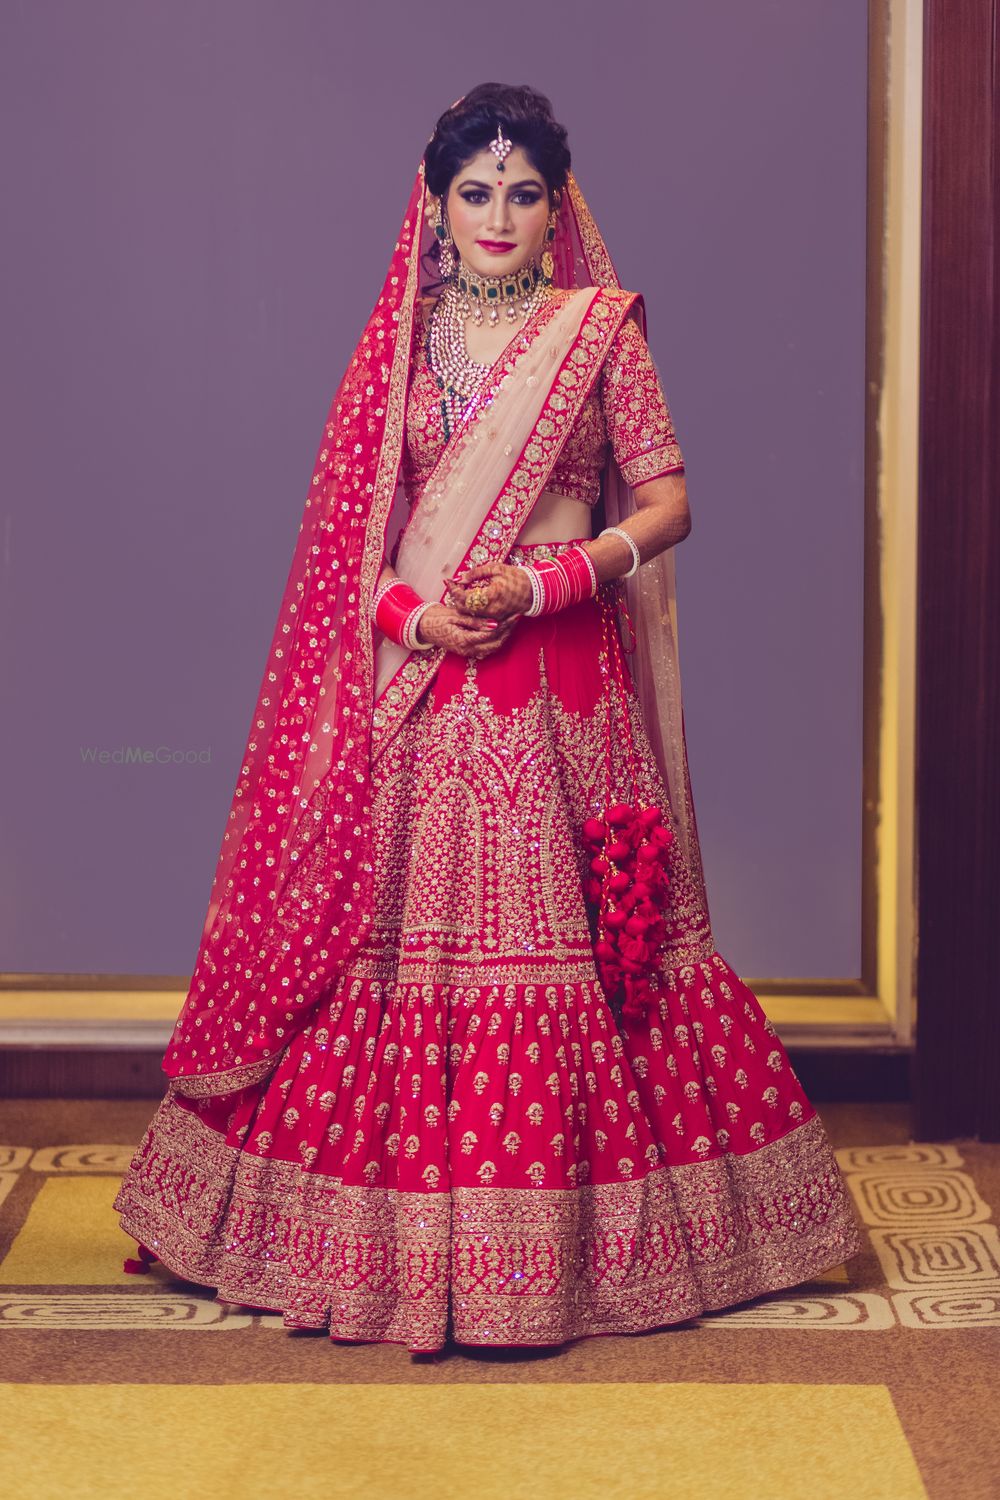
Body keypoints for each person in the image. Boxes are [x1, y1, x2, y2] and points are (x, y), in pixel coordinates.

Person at [115, 82, 863, 1353]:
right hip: (425, 700)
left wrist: (547, 580)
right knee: (395, 961)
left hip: (561, 693)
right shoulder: (399, 341)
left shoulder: (599, 330)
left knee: (588, 959)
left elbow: (668, 501)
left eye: (523, 192)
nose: (499, 215)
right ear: (434, 203)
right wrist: (416, 617)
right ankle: (385, 1255)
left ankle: (571, 1262)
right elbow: (350, 540)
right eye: (476, 192)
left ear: (555, 204)